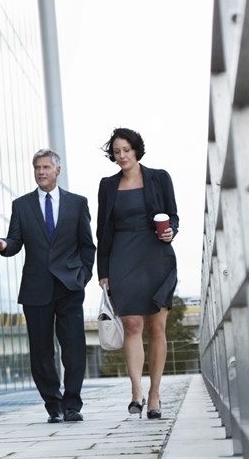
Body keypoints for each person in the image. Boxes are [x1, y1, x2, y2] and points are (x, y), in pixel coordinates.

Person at [0, 149, 95, 423]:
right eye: (37, 167)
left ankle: (72, 405)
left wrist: (83, 276)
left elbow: (87, 245)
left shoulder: (77, 203)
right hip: (36, 286)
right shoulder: (21, 205)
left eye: (46, 167)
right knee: (41, 351)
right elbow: (15, 241)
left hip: (69, 285)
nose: (41, 172)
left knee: (73, 348)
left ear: (57, 170)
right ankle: (53, 405)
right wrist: (3, 245)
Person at [97, 127, 177, 420]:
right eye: (116, 152)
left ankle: (155, 394)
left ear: (136, 150)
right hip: (122, 257)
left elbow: (173, 216)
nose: (121, 156)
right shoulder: (107, 185)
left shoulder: (159, 177)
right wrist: (102, 269)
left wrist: (171, 231)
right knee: (131, 324)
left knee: (157, 328)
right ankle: (136, 391)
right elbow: (102, 230)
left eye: (126, 150)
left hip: (156, 256)